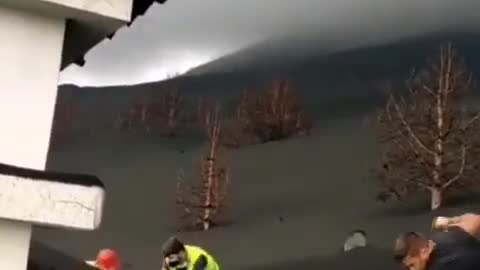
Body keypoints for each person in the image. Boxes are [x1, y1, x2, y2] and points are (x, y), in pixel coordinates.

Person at [393, 213, 480, 270]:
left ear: (424, 252)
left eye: (412, 265)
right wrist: (451, 221)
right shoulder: (443, 236)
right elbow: (476, 220)